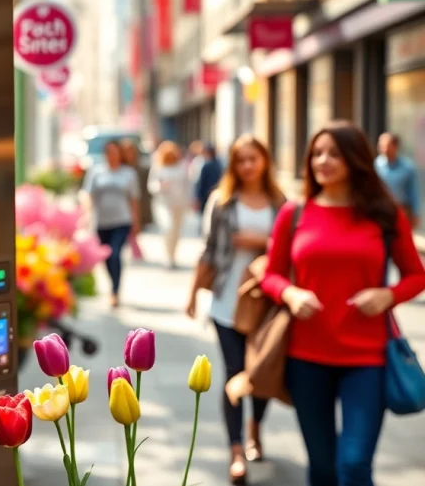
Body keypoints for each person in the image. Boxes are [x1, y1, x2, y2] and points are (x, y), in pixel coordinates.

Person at [261, 121, 425, 486]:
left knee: (353, 465)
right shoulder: (295, 212)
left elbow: (417, 274)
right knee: (321, 467)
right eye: (317, 153)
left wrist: (388, 295)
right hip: (306, 358)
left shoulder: (384, 214)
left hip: (367, 359)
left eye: (334, 153)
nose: (323, 161)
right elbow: (271, 275)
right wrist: (291, 293)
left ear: (355, 159)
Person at [185, 134, 287, 484]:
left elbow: (292, 250)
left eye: (252, 159)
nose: (247, 166)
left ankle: (255, 429)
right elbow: (209, 251)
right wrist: (192, 295)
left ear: (264, 161)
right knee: (234, 371)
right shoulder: (222, 201)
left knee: (261, 373)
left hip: (269, 303)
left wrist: (260, 242)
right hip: (228, 301)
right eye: (240, 159)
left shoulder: (280, 202)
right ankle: (236, 450)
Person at [83, 141, 141, 308]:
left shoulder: (128, 173)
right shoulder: (96, 172)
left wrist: (136, 222)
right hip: (102, 222)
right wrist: (87, 213)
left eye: (115, 152)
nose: (112, 155)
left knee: (115, 254)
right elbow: (88, 194)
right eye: (109, 152)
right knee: (106, 256)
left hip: (122, 221)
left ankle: (115, 291)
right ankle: (112, 283)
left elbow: (134, 199)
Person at [148, 141, 190, 268]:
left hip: (179, 205)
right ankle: (168, 256)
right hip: (163, 204)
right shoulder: (158, 167)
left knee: (176, 232)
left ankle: (172, 255)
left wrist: (190, 202)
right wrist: (160, 186)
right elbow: (151, 185)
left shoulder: (181, 167)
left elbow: (187, 186)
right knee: (168, 228)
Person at [375, 132, 420, 228]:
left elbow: (414, 192)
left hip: (401, 210)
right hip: (380, 211)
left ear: (396, 147)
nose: (384, 149)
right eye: (381, 145)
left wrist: (416, 213)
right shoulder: (375, 166)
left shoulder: (407, 167)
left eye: (387, 145)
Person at [120, 139, 148, 262]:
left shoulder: (139, 168)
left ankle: (135, 250)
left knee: (133, 227)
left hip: (134, 202)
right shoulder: (120, 168)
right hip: (121, 203)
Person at [194, 142, 224, 215]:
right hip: (216, 192)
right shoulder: (219, 165)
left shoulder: (206, 166)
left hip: (206, 195)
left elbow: (201, 183)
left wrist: (198, 197)